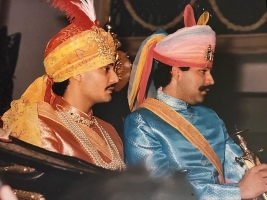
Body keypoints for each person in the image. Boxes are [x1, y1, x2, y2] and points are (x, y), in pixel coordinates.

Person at [123, 4, 267, 199]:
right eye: (202, 71)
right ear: (176, 72)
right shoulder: (142, 122)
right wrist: (238, 192)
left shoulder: (211, 117)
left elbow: (240, 171)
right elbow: (156, 191)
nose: (211, 80)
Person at [1, 0, 126, 171]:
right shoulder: (42, 127)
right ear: (76, 72)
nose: (115, 78)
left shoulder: (110, 131)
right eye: (105, 69)